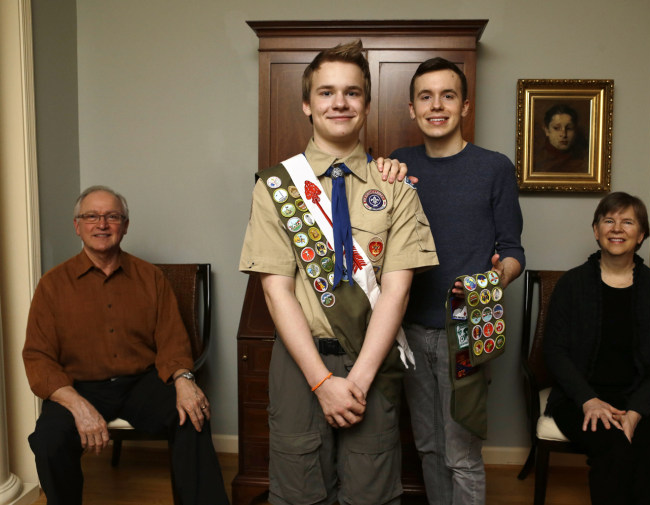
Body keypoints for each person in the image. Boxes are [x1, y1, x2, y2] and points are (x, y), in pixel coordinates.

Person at [239, 40, 438, 505]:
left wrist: (359, 381)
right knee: (297, 491)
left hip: (371, 359)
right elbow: (276, 293)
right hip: (300, 359)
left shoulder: (396, 188)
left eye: (352, 93)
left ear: (367, 104)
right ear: (308, 104)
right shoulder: (276, 188)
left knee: (372, 492)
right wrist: (322, 382)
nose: (340, 103)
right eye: (326, 92)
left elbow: (397, 292)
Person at [23, 185, 229, 505]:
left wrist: (185, 381)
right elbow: (38, 357)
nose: (102, 224)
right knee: (49, 440)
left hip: (141, 383)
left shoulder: (151, 277)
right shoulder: (52, 285)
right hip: (79, 387)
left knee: (193, 415)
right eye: (91, 216)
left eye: (113, 216)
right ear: (77, 226)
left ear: (125, 226)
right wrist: (78, 405)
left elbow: (173, 339)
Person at [386, 57, 525, 505]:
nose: (437, 105)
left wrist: (494, 278)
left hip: (467, 326)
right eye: (426, 97)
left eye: (448, 95)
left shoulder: (494, 167)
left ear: (465, 105)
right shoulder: (398, 166)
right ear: (412, 108)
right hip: (407, 328)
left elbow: (513, 250)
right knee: (428, 445)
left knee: (461, 453)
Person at [543, 191, 650, 505]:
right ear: (596, 230)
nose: (617, 229)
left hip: (640, 398)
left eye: (628, 222)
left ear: (641, 234)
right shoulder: (571, 285)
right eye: (609, 221)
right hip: (580, 399)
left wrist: (635, 414)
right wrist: (589, 400)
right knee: (614, 448)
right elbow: (555, 351)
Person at [533, 103, 589, 173]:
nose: (563, 134)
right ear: (547, 130)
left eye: (569, 128)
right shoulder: (537, 160)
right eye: (556, 128)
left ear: (575, 130)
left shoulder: (584, 161)